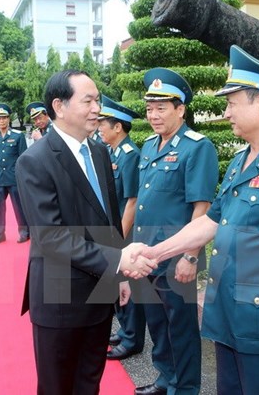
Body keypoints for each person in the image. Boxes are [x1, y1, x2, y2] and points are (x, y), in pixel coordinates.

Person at [133, 46, 259, 394]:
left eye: (232, 103)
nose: (226, 113)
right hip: (227, 313)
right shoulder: (241, 160)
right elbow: (211, 221)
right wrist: (156, 253)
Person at [15, 69, 156, 395]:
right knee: (58, 387)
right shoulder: (34, 161)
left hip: (100, 294)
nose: (97, 108)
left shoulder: (99, 152)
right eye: (88, 100)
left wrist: (117, 277)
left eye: (98, 100)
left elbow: (109, 219)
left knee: (89, 382)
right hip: (60, 296)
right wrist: (119, 262)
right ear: (59, 106)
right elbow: (51, 237)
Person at [132, 68, 219, 395]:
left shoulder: (197, 147)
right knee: (157, 323)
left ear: (181, 109)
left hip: (175, 260)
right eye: (149, 108)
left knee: (181, 328)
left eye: (161, 108)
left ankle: (184, 388)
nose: (153, 115)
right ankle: (165, 378)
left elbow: (201, 208)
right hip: (148, 256)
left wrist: (189, 256)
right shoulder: (150, 146)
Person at [97, 95, 147, 361]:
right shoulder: (112, 151)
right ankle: (125, 330)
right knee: (116, 284)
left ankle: (132, 339)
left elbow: (133, 200)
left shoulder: (130, 155)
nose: (99, 127)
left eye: (104, 123)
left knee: (129, 286)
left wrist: (119, 237)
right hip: (115, 229)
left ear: (118, 127)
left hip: (125, 233)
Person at [0, 103, 29, 245]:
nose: (1, 121)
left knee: (19, 206)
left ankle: (24, 231)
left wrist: (24, 178)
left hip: (14, 178)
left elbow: (24, 159)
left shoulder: (18, 136)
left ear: (9, 119)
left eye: (4, 117)